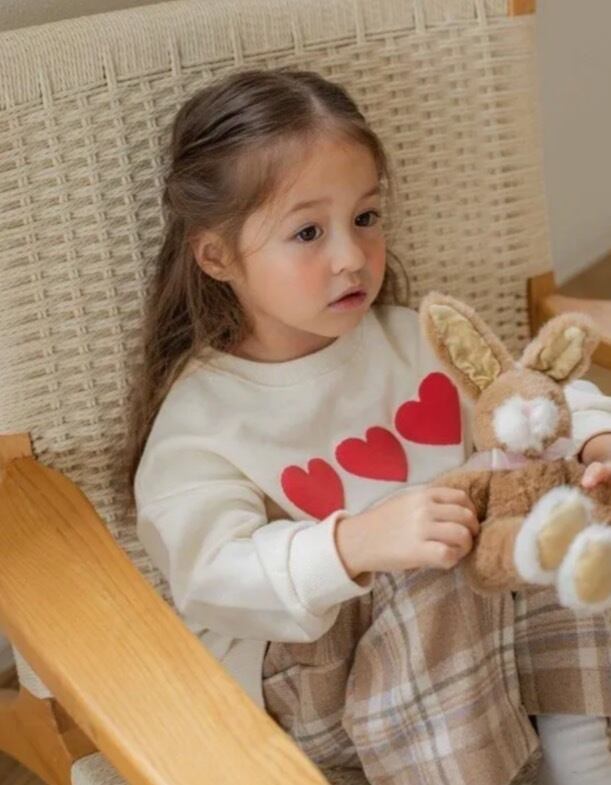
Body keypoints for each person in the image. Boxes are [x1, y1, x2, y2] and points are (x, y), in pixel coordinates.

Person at [128, 68, 611, 785]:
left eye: (365, 218)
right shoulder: (204, 419)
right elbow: (211, 578)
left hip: (478, 651)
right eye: (307, 232)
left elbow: (523, 401)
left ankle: (583, 758)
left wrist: (593, 440)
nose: (352, 257)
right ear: (218, 256)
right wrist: (353, 544)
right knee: (438, 559)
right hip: (318, 692)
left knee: (558, 505)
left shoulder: (412, 338)